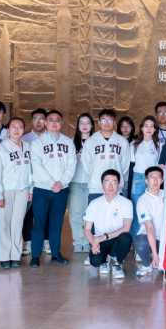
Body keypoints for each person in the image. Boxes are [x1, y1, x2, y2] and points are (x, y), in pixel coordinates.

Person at [30, 110, 77, 268]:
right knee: (39, 224)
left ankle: (56, 254)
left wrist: (62, 182)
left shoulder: (68, 142)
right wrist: (52, 183)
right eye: (51, 120)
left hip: (61, 189)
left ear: (61, 123)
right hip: (42, 189)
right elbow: (37, 165)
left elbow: (72, 164)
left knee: (57, 223)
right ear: (46, 123)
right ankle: (35, 255)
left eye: (57, 120)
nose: (54, 123)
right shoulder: (37, 143)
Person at [0, 117, 32, 270]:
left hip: (23, 190)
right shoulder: (0, 149)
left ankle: (15, 256)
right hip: (6, 191)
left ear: (23, 129)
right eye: (13, 127)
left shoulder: (27, 147)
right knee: (4, 224)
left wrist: (31, 189)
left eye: (20, 127)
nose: (16, 130)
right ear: (8, 130)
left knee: (17, 224)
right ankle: (3, 257)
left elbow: (31, 170)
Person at [84, 170, 134, 280]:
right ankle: (105, 260)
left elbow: (126, 228)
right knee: (95, 262)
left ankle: (117, 264)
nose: (110, 186)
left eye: (114, 182)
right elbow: (87, 229)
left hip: (117, 240)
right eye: (107, 182)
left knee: (126, 237)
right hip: (100, 241)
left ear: (118, 184)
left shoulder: (126, 203)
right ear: (102, 184)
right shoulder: (94, 203)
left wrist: (105, 236)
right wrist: (93, 243)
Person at [135, 167, 166, 276]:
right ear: (146, 181)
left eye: (158, 177)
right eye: (152, 177)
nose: (155, 180)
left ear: (162, 180)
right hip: (149, 238)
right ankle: (146, 264)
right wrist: (155, 255)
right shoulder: (143, 201)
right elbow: (150, 228)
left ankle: (160, 257)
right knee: (141, 242)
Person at [82, 109, 131, 202]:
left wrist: (114, 179)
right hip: (96, 187)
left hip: (116, 188)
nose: (107, 123)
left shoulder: (122, 141)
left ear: (114, 122)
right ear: (99, 122)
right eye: (104, 120)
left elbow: (125, 165)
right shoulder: (90, 141)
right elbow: (86, 164)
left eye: (110, 120)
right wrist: (95, 175)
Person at [21, 108, 48, 256]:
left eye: (41, 119)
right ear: (31, 121)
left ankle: (46, 241)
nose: (38, 122)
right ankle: (28, 241)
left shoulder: (51, 138)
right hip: (28, 181)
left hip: (45, 182)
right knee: (28, 213)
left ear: (46, 121)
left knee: (45, 213)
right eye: (35, 119)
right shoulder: (24, 139)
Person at [130, 116, 161, 244]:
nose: (149, 129)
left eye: (152, 126)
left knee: (151, 211)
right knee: (137, 212)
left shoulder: (159, 145)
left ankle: (149, 242)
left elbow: (159, 164)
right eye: (146, 126)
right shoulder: (134, 145)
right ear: (142, 128)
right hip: (138, 179)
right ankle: (135, 244)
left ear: (155, 129)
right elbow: (131, 164)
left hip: (153, 179)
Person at [69, 113, 94, 254]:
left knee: (89, 214)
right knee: (76, 213)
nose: (84, 126)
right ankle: (78, 241)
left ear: (92, 125)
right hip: (76, 182)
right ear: (78, 126)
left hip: (92, 183)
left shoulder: (96, 142)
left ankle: (88, 240)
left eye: (87, 122)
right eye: (81, 123)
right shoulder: (71, 142)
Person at [117, 116, 136, 198]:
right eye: (123, 126)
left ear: (132, 128)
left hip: (131, 175)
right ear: (119, 127)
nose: (125, 128)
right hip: (118, 173)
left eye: (128, 126)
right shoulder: (115, 141)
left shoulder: (136, 142)